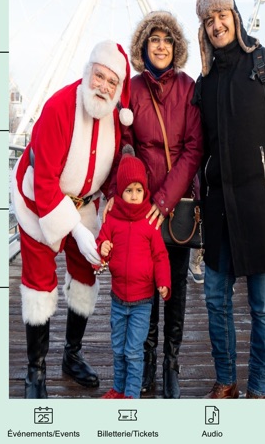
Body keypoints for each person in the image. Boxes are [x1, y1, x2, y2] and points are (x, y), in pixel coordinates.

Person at [193, 0, 265, 399]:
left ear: (235, 16)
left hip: (261, 207)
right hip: (219, 208)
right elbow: (198, 146)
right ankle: (226, 379)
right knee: (216, 300)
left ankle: (257, 387)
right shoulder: (204, 82)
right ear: (203, 29)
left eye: (222, 15)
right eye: (208, 20)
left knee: (264, 306)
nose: (216, 24)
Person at [11, 41, 134, 398]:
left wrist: (110, 197)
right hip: (39, 199)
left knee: (85, 274)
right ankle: (35, 370)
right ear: (87, 71)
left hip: (84, 202)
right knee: (39, 282)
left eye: (113, 82)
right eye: (100, 75)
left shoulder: (116, 116)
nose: (104, 86)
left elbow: (116, 170)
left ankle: (72, 354)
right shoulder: (59, 107)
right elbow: (45, 177)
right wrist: (76, 230)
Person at [107, 11, 203, 398]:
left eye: (166, 39)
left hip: (174, 204)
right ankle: (145, 361)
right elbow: (125, 144)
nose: (160, 45)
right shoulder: (131, 88)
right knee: (145, 285)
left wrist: (164, 199)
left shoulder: (188, 87)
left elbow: (194, 147)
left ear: (175, 46)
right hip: (139, 208)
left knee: (175, 286)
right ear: (143, 46)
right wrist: (136, 195)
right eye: (153, 39)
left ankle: (171, 364)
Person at [97, 150, 171, 400]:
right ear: (120, 192)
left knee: (133, 350)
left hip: (141, 302)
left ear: (145, 192)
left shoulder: (149, 222)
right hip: (118, 299)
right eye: (129, 190)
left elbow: (160, 256)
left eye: (139, 190)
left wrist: (163, 282)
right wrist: (103, 249)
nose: (134, 195)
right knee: (118, 348)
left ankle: (131, 395)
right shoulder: (112, 220)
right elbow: (101, 246)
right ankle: (118, 388)